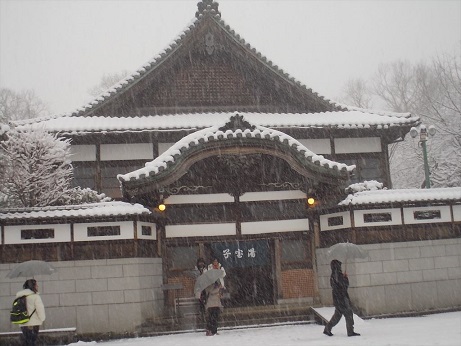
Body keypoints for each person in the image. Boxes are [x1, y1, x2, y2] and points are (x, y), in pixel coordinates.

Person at [323, 259, 360, 337]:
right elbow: (344, 286)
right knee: (348, 314)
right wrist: (346, 278)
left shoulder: (333, 275)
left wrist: (344, 278)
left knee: (337, 315)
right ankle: (350, 331)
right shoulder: (338, 275)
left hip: (337, 298)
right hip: (342, 298)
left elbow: (337, 286)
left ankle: (327, 329)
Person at [16, 279, 46, 346]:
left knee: (27, 341)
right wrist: (42, 318)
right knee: (32, 341)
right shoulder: (35, 296)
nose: (37, 286)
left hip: (23, 322)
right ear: (33, 286)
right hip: (33, 323)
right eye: (36, 285)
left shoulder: (19, 296)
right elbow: (40, 309)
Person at [195, 257, 208, 322]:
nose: (201, 264)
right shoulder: (196, 270)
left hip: (205, 288)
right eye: (200, 262)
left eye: (202, 262)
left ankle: (205, 315)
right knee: (200, 302)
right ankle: (202, 315)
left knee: (205, 301)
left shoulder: (206, 270)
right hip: (199, 289)